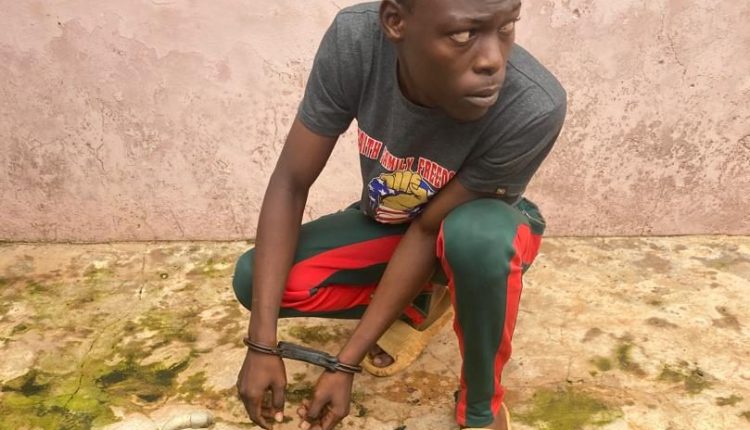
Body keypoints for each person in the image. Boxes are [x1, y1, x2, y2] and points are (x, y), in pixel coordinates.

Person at [232, 0, 566, 429]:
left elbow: (430, 229)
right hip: (395, 221)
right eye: (463, 34)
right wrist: (261, 344)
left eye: (507, 26)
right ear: (395, 22)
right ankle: (422, 303)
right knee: (256, 280)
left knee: (475, 239)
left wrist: (346, 362)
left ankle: (480, 407)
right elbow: (291, 182)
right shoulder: (356, 41)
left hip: (489, 228)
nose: (493, 60)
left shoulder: (532, 104)